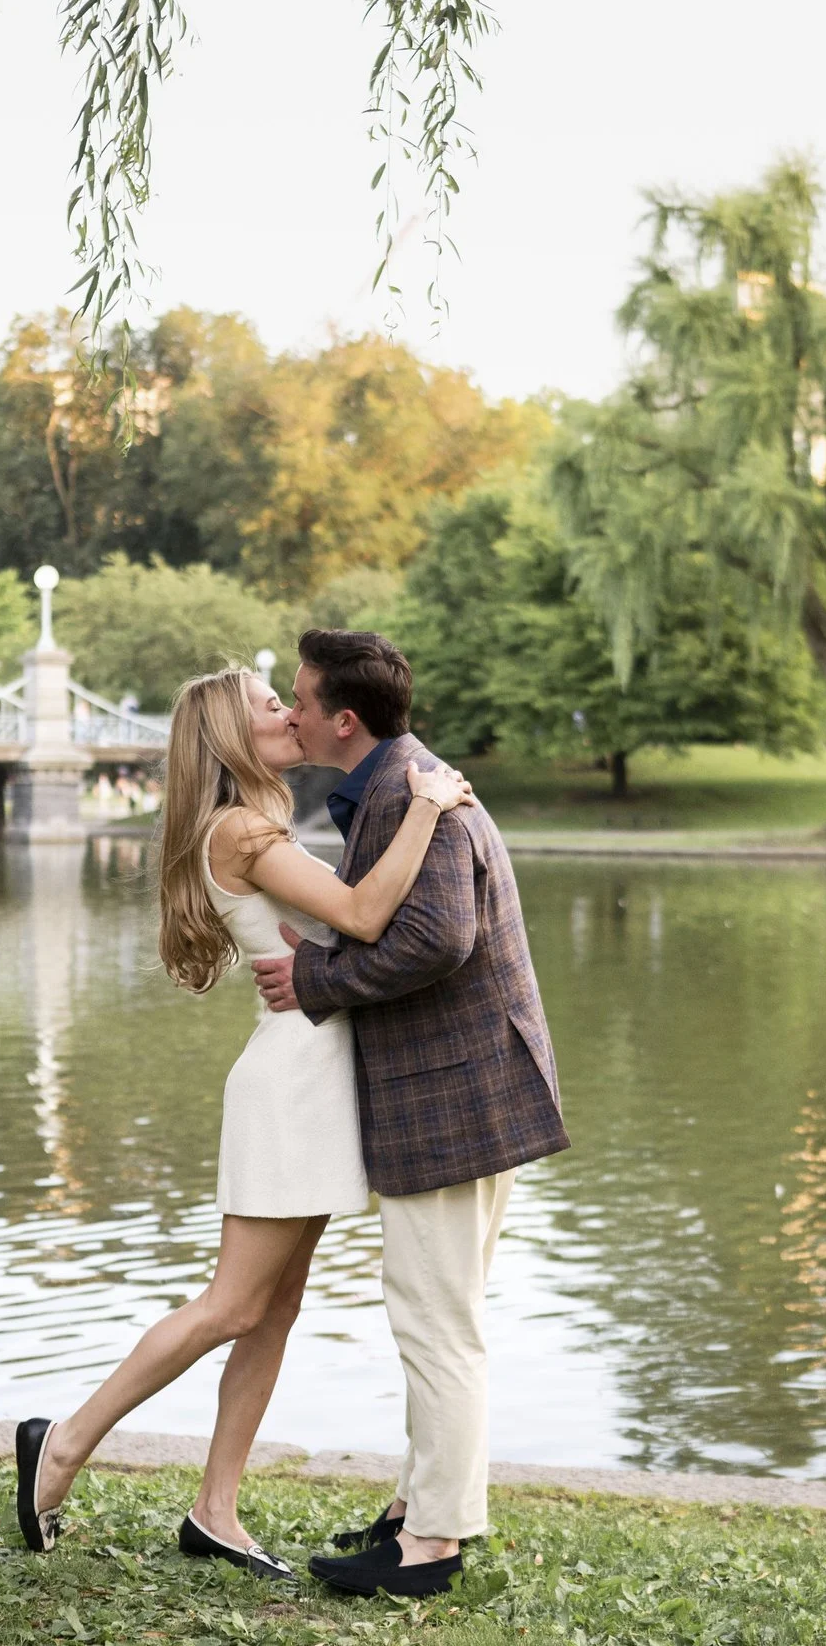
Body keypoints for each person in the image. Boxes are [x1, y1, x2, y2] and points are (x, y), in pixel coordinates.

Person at [15, 664, 477, 1582]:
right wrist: (428, 805)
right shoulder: (241, 828)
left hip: (314, 1076)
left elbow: (342, 929)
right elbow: (361, 911)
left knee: (276, 1308)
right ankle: (60, 1446)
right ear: (233, 732)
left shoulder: (252, 824)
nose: (291, 713)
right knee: (234, 1302)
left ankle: (215, 1510)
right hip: (290, 1085)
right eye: (273, 704)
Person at [249, 629, 569, 1600]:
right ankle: (415, 1508)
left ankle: (430, 1542)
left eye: (299, 699)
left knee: (435, 1324)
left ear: (342, 720)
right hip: (469, 1087)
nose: (289, 712)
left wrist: (316, 977)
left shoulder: (401, 790)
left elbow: (436, 939)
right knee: (442, 1315)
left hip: (454, 1096)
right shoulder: (401, 780)